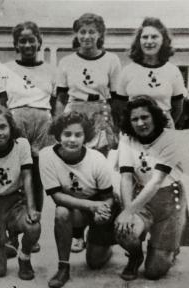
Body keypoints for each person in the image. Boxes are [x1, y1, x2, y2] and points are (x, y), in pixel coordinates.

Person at [54, 12, 121, 253]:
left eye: (92, 32)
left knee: (98, 174)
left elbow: (117, 99)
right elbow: (61, 97)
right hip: (74, 115)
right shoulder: (66, 61)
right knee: (75, 174)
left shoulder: (111, 60)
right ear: (76, 34)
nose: (87, 36)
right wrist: (58, 124)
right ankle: (76, 232)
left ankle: (100, 228)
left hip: (101, 115)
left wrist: (116, 128)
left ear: (100, 34)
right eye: (82, 31)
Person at [39, 111, 117, 288]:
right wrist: (91, 206)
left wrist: (101, 211)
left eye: (78, 135)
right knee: (61, 212)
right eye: (67, 134)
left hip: (99, 203)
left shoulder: (97, 159)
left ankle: (103, 244)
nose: (72, 140)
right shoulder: (46, 155)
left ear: (86, 137)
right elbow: (57, 196)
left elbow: (108, 197)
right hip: (77, 205)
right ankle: (63, 267)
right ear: (58, 135)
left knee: (94, 263)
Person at [0, 21, 57, 255]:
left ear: (39, 42)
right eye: (22, 40)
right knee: (15, 178)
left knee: (36, 180)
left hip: (42, 123)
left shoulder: (51, 70)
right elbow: (1, 102)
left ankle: (33, 231)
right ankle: (12, 233)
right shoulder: (5, 68)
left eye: (31, 39)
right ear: (15, 44)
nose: (27, 44)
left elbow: (55, 102)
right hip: (16, 122)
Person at [115, 95, 187, 281]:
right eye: (135, 119)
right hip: (142, 199)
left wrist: (129, 210)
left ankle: (170, 248)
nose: (140, 123)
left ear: (154, 116)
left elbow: (156, 181)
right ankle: (135, 256)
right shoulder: (126, 138)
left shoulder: (172, 138)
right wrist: (126, 212)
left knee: (154, 272)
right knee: (124, 229)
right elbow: (126, 177)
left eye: (145, 117)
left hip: (169, 201)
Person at [0, 106, 41, 280]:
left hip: (15, 202)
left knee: (33, 226)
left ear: (11, 127)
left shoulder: (22, 145)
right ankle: (4, 242)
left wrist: (31, 208)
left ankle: (24, 257)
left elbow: (27, 178)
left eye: (2, 127)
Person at [116, 17, 186, 128]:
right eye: (145, 37)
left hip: (164, 130)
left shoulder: (173, 71)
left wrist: (162, 122)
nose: (149, 41)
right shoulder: (127, 71)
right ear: (139, 41)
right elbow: (120, 107)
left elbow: (177, 108)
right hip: (136, 128)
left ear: (163, 40)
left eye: (154, 37)